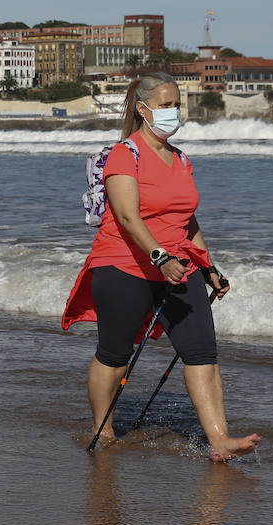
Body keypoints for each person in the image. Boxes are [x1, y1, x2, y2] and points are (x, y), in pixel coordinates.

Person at [62, 71, 261, 461]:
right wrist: (159, 256)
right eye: (167, 105)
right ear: (143, 109)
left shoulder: (181, 159)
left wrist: (209, 269)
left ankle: (220, 441)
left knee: (202, 352)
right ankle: (102, 428)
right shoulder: (125, 155)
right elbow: (126, 215)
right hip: (123, 264)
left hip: (178, 266)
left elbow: (187, 221)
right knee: (114, 354)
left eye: (177, 105)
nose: (175, 112)